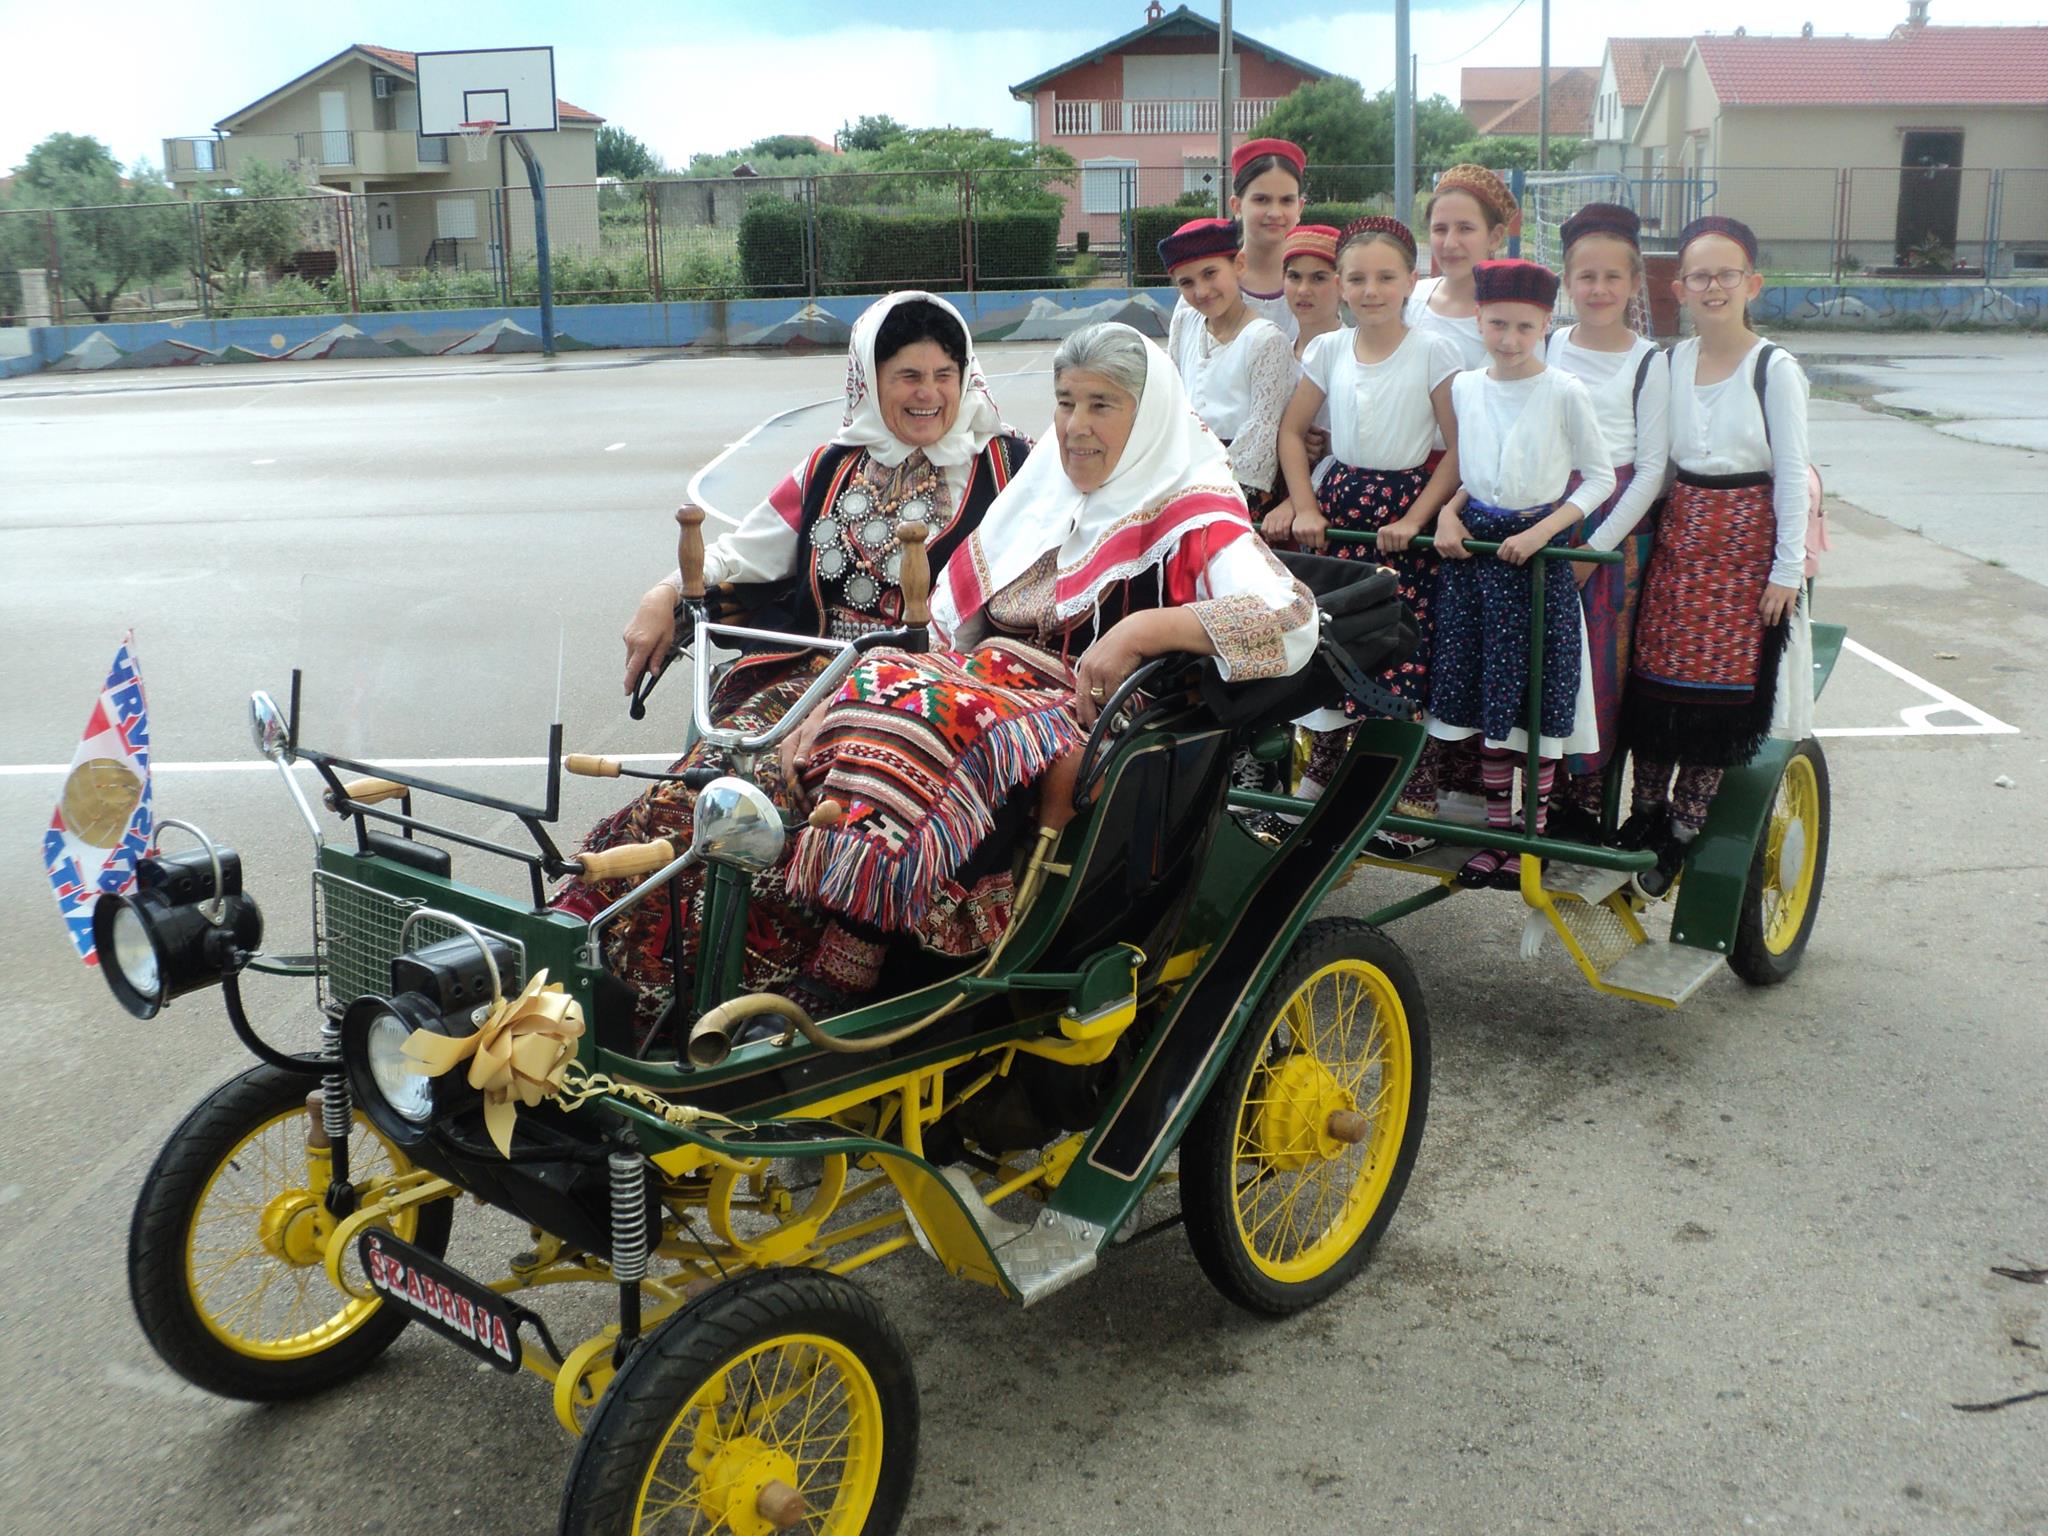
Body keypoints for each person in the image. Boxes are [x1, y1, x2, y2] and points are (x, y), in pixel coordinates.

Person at [779, 323, 1318, 1000]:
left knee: (928, 710)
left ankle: (857, 947)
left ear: (1147, 413)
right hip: (992, 685)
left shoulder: (1195, 510)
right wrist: (854, 693)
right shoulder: (1043, 489)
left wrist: (1147, 629)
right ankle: (805, 905)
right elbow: (954, 625)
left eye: (1102, 404)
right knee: (864, 692)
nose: (1076, 426)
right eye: (1066, 402)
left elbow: (1292, 623)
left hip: (1090, 713)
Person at [562, 291, 1032, 1043]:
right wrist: (662, 593)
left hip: (929, 702)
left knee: (792, 803)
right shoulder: (828, 469)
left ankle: (787, 992)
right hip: (807, 680)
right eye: (908, 375)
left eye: (946, 374)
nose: (929, 395)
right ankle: (599, 948)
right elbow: (731, 560)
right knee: (710, 789)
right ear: (868, 382)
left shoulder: (1011, 469)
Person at [1622, 215, 1813, 898]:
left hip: (1745, 548)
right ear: (1678, 286)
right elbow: (1653, 466)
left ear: (1751, 283)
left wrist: (1786, 571)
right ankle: (1642, 813)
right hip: (1682, 540)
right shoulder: (1667, 363)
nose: (1712, 286)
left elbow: (1791, 472)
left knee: (1719, 702)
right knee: (1657, 686)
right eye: (1698, 274)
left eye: (1725, 273)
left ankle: (1681, 827)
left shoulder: (1774, 369)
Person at [1263, 216, 1462, 849]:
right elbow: (1292, 432)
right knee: (1327, 638)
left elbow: (1458, 449)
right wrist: (1304, 504)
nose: (1370, 289)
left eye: (1385, 276)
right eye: (1357, 278)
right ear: (1342, 287)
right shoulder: (1326, 351)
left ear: (1411, 280)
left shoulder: (1433, 351)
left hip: (1402, 506)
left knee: (1402, 643)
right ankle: (1319, 776)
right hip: (1341, 504)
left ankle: (1414, 797)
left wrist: (1413, 518)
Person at [1426, 259, 1614, 889]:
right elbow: (1469, 470)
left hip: (1532, 564)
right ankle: (1497, 834)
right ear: (1478, 319)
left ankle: (1527, 838)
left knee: (1530, 703)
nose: (1508, 339)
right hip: (1476, 560)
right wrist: (1449, 516)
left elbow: (1601, 476)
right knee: (1487, 702)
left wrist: (1543, 532)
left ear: (1544, 325)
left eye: (1523, 327)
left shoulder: (1564, 391)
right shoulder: (1466, 387)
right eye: (1497, 323)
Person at [1541, 203, 1671, 844]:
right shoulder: (1550, 343)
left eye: (1611, 278)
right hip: (1548, 508)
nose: (1597, 289)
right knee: (1546, 658)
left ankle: (1586, 801)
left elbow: (1650, 472)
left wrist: (1594, 548)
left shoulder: (1649, 363)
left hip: (1612, 522)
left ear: (1633, 283)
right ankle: (1543, 792)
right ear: (1567, 282)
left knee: (1599, 664)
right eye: (1585, 277)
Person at [1162, 217, 1296, 512]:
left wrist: (1204, 489)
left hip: (1236, 490)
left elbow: (1262, 433)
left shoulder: (1265, 340)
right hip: (1183, 474)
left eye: (1210, 273)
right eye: (1187, 282)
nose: (1202, 291)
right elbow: (1171, 400)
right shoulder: (1185, 323)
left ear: (1238, 265)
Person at [1406, 164, 1517, 373]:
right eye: (1440, 229)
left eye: (1465, 229)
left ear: (1494, 237)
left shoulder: (1517, 314)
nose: (1449, 243)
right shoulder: (1411, 301)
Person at [1225, 137, 1308, 340]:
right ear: (1236, 206)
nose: (1275, 212)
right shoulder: (1214, 282)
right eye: (1261, 200)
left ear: (1299, 208)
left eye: (1286, 200)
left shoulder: (1316, 286)